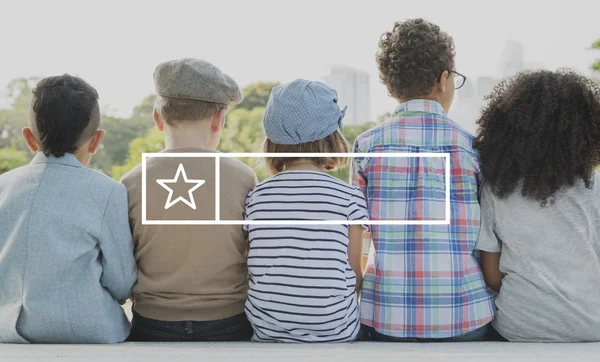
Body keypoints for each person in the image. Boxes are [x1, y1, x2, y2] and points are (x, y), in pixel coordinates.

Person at [353, 19, 494, 342]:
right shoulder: (473, 148)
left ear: (390, 86)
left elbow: (357, 234)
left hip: (385, 318)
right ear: (444, 79)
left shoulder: (366, 147)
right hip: (465, 317)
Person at [121, 58, 258, 342]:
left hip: (153, 323)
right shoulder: (244, 178)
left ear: (158, 119)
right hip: (229, 322)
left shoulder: (130, 182)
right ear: (219, 120)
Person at [0, 74, 137, 343]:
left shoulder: (3, 186)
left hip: (11, 330)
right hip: (91, 331)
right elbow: (122, 282)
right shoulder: (108, 192)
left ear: (29, 138)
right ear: (96, 140)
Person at [474, 70, 600, 342]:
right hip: (591, 326)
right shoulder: (596, 187)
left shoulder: (496, 190)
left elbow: (492, 276)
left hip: (518, 327)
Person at [244, 79, 368, 342]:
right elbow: (355, 274)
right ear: (333, 137)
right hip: (336, 331)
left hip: (268, 331)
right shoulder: (348, 196)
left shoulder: (257, 195)